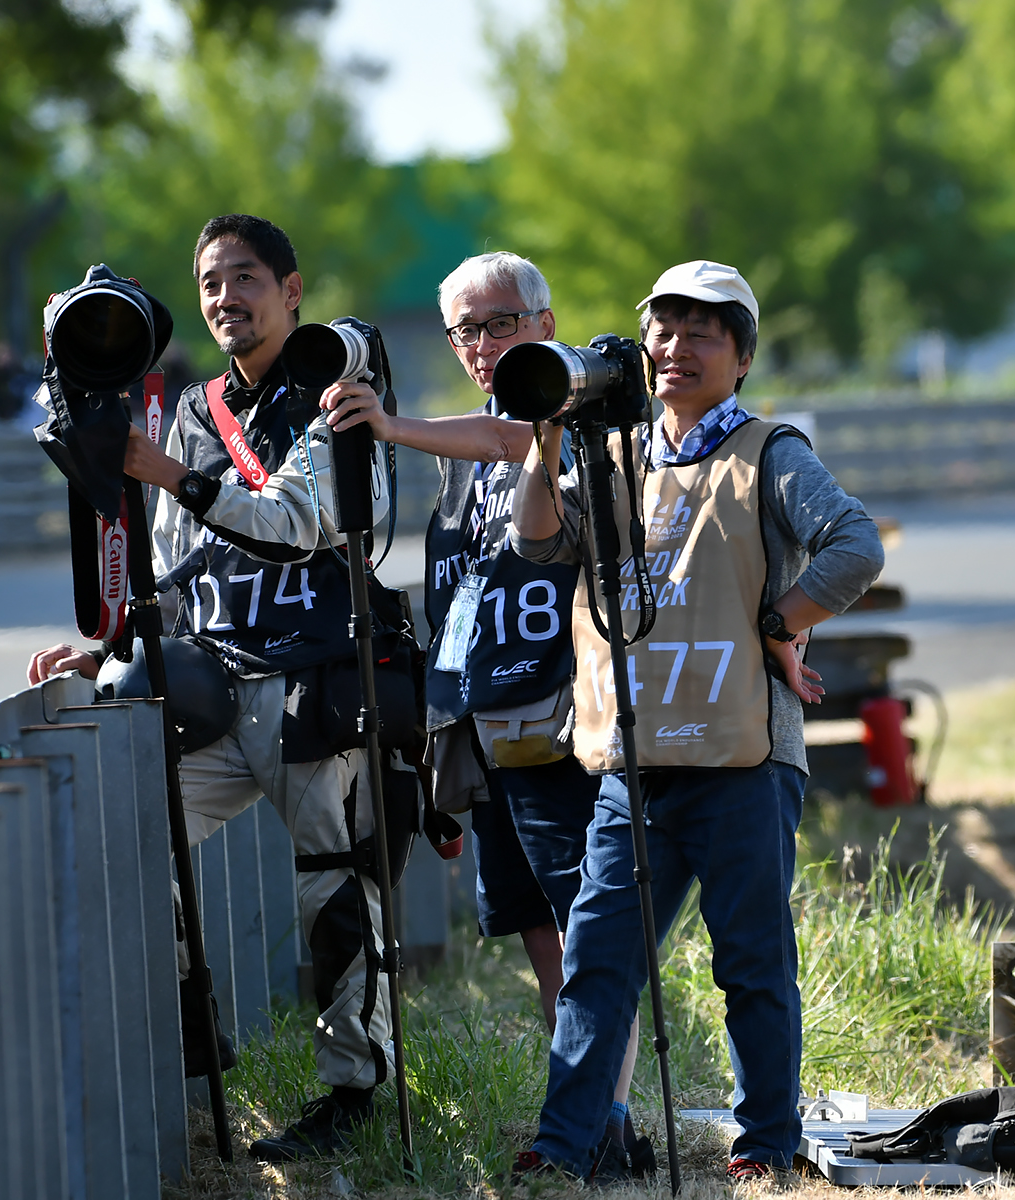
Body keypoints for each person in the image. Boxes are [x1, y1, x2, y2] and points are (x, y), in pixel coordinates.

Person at [26, 213, 404, 1164]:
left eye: (245, 278)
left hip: (312, 690)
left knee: (335, 891)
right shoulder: (192, 409)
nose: (225, 297)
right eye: (209, 283)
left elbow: (302, 521)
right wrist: (109, 643)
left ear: (292, 290)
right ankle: (199, 1030)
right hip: (214, 685)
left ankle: (355, 1092)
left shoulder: (337, 394)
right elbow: (174, 564)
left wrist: (172, 476)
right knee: (130, 839)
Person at [507, 260, 884, 1182]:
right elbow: (532, 540)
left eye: (703, 331)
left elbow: (855, 545)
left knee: (751, 964)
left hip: (744, 756)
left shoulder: (770, 450)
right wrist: (548, 434)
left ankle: (766, 1146)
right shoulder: (612, 456)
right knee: (597, 961)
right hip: (630, 757)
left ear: (743, 356)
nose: (677, 348)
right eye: (663, 330)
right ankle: (563, 1149)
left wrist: (775, 622)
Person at [322, 251, 651, 1177]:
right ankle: (594, 1117)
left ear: (544, 324)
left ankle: (601, 1123)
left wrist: (391, 423)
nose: (481, 344)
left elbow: (513, 440)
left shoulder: (576, 414)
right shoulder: (460, 462)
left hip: (566, 721)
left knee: (589, 930)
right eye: (464, 329)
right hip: (488, 724)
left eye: (499, 323)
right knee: (540, 937)